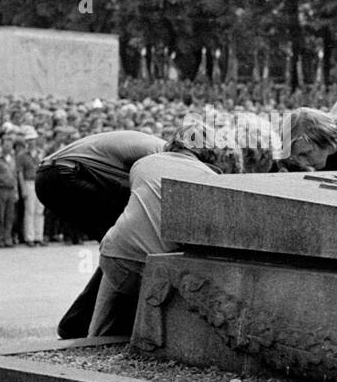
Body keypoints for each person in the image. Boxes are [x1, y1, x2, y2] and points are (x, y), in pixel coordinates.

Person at [88, 120, 242, 338]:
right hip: (155, 268)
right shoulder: (210, 178)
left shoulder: (143, 164)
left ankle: (92, 338)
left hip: (113, 256)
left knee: (119, 252)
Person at [37, 130, 166, 337]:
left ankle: (78, 323)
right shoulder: (161, 155)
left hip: (51, 175)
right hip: (66, 175)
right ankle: (80, 323)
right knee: (125, 246)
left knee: (121, 247)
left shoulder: (156, 147)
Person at [0, 137, 18, 248]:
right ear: (1, 146)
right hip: (1, 189)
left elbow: (14, 176)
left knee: (10, 216)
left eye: (10, 145)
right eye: (6, 145)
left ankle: (7, 237)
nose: (8, 148)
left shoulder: (13, 159)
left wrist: (16, 192)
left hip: (11, 189)